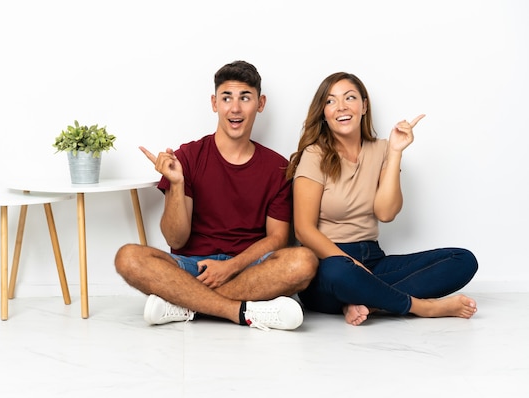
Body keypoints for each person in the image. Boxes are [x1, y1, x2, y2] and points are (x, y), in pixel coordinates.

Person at [115, 60, 318, 331]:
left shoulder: (278, 167)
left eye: (245, 97)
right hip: (191, 267)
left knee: (304, 261)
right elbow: (175, 238)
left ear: (260, 103)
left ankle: (184, 304)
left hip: (249, 268)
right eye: (226, 98)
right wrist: (176, 184)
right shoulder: (186, 157)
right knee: (127, 257)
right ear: (214, 103)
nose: (235, 108)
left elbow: (278, 239)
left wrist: (231, 266)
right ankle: (240, 311)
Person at [286, 72, 478, 326]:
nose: (341, 107)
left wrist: (396, 151)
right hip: (329, 264)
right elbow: (304, 229)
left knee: (463, 260)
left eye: (350, 98)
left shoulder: (383, 149)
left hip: (374, 259)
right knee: (339, 273)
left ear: (364, 106)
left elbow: (386, 213)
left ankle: (369, 302)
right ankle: (420, 307)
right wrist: (351, 264)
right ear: (323, 112)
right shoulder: (314, 154)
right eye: (331, 101)